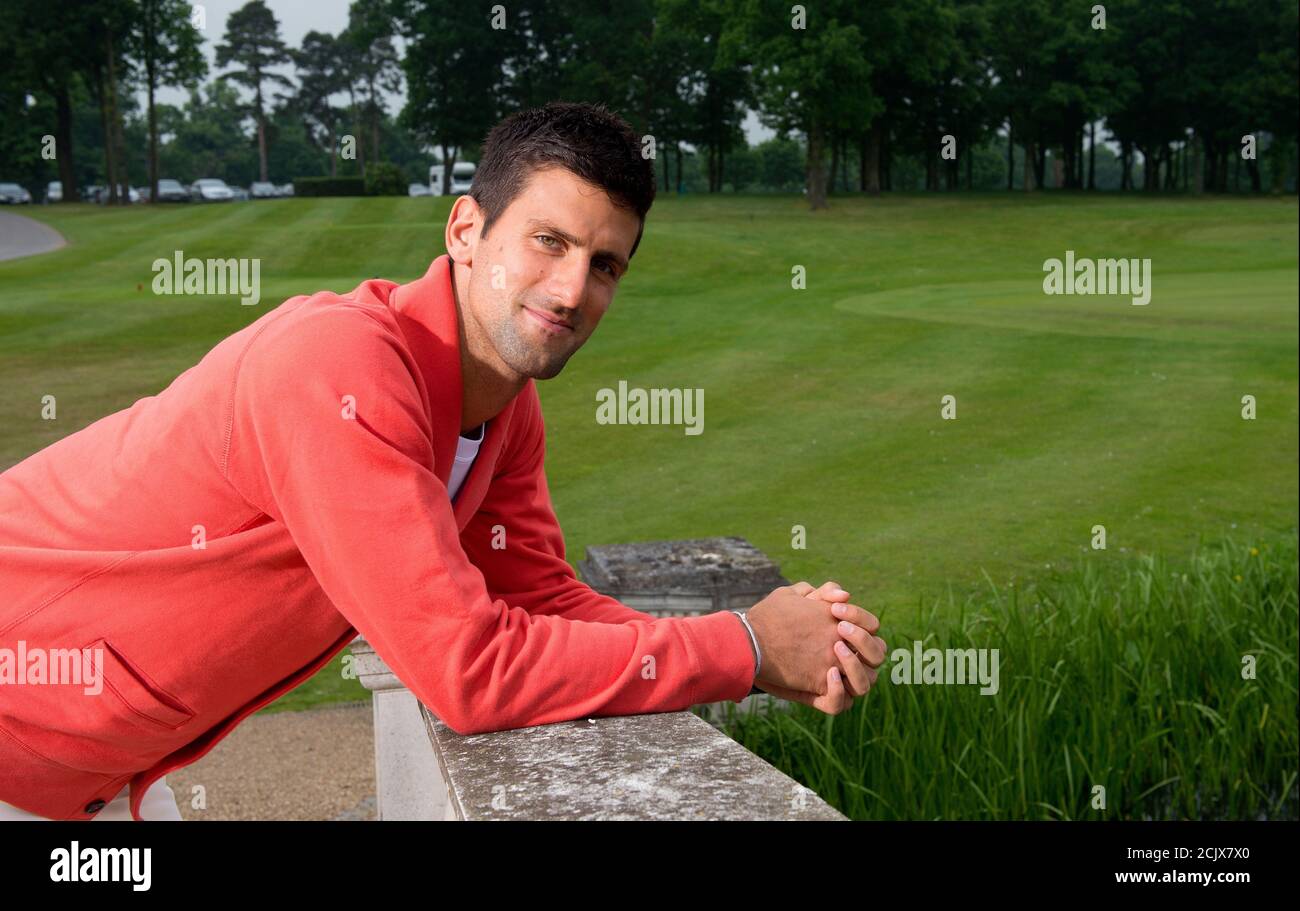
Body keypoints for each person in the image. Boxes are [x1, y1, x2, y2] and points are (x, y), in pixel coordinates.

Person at [0, 102, 886, 821]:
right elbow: (469, 668)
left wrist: (787, 638)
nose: (574, 290)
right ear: (466, 230)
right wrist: (746, 645)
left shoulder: (503, 408)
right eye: (549, 241)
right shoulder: (335, 365)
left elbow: (538, 597)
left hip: (96, 770)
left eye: (605, 263)